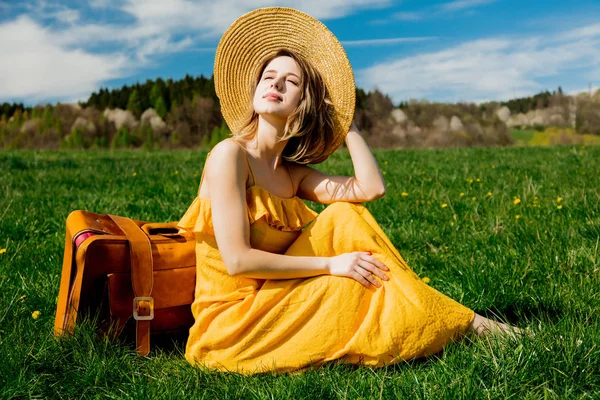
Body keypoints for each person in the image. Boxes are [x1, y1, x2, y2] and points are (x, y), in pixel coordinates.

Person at [177, 7, 519, 375]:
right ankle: (464, 325)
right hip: (232, 327)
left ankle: (450, 321)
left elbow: (369, 188)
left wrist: (346, 126)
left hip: (272, 300)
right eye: (268, 76)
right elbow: (238, 261)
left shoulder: (293, 175)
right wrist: (331, 265)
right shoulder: (229, 156)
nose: (274, 84)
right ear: (255, 89)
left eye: (289, 82)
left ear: (303, 104)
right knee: (353, 287)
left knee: (344, 216)